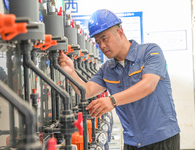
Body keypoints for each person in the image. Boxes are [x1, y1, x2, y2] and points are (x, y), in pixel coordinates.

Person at [58, 9, 180, 150]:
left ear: (120, 33)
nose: (101, 46)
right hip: (132, 142)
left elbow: (148, 85)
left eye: (104, 38)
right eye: (97, 41)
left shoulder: (150, 52)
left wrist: (112, 100)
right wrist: (71, 72)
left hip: (161, 138)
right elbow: (86, 91)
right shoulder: (107, 69)